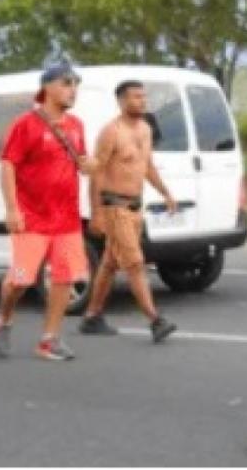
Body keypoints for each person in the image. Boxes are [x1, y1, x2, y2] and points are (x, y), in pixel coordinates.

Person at [0, 63, 97, 362]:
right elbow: (8, 165)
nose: (73, 90)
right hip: (32, 217)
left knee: (65, 278)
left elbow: (82, 162)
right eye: (66, 83)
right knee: (21, 279)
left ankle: (49, 339)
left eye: (76, 84)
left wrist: (89, 166)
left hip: (67, 219)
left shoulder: (76, 125)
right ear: (47, 87)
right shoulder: (26, 124)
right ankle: (3, 320)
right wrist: (12, 209)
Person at [79, 80, 178, 344]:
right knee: (134, 263)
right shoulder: (111, 132)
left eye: (144, 97)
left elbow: (147, 167)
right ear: (122, 101)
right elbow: (96, 172)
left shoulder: (145, 129)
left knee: (110, 263)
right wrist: (96, 212)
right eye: (136, 97)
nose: (142, 101)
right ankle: (155, 320)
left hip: (135, 207)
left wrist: (166, 193)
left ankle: (92, 316)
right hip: (114, 207)